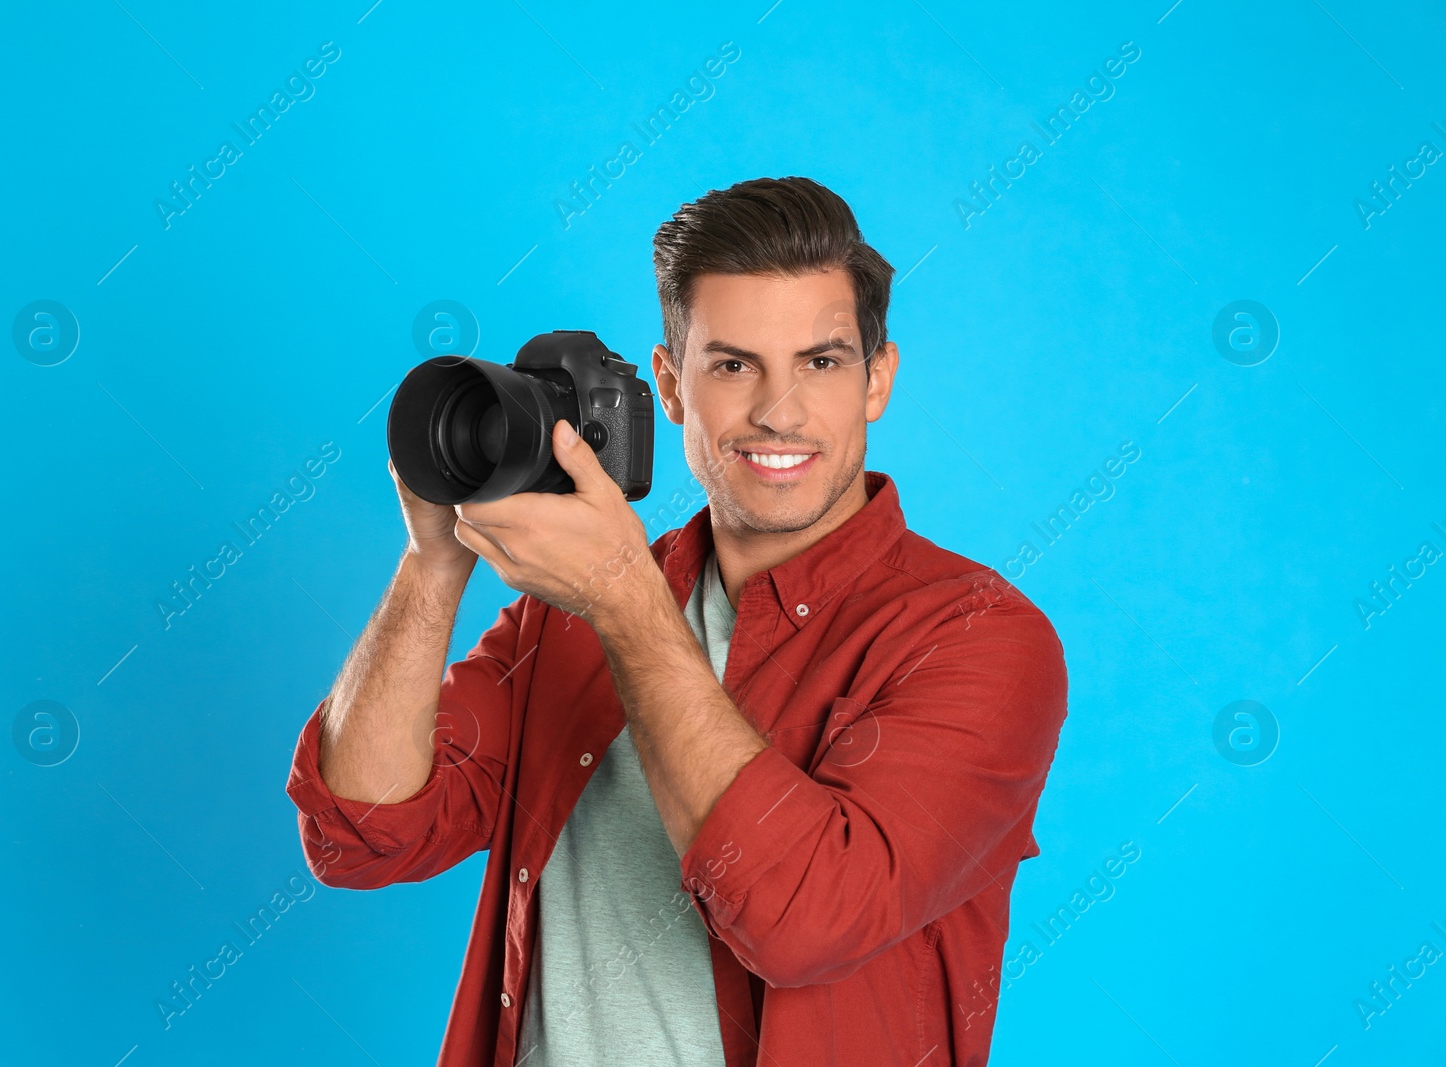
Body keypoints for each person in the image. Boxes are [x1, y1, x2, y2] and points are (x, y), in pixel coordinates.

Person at [285, 176, 1069, 1066]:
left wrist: (624, 602)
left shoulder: (978, 637)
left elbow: (802, 922)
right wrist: (432, 562)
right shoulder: (574, 606)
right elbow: (361, 832)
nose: (779, 410)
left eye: (822, 361)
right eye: (733, 365)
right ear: (669, 383)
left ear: (877, 380)